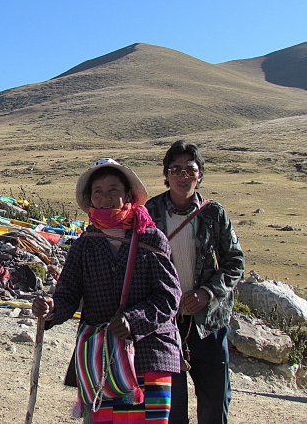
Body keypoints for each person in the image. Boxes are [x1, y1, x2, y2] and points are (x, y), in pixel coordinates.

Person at [33, 158, 181, 424]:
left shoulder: (151, 238)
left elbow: (169, 297)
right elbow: (67, 295)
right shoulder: (84, 245)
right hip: (101, 357)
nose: (106, 197)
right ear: (90, 199)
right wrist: (52, 309)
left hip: (150, 352)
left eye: (114, 190)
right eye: (98, 192)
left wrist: (133, 321)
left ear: (128, 196)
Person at [145, 141, 245, 424]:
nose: (182, 175)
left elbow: (235, 261)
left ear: (200, 174)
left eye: (190, 169)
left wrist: (207, 292)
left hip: (209, 324)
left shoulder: (215, 214)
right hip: (165, 325)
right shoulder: (149, 213)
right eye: (175, 169)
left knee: (214, 404)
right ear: (166, 174)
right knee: (171, 409)